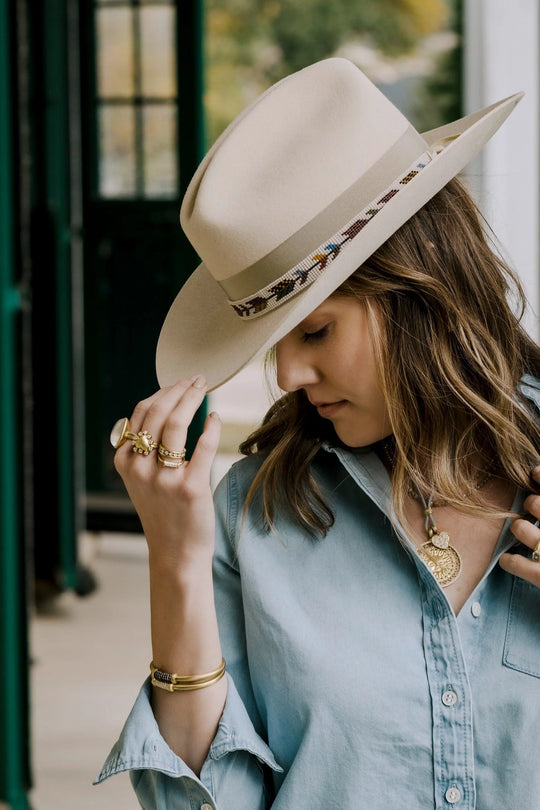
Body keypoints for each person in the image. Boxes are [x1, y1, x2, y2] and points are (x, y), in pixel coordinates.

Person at [96, 58, 540, 809]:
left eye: (316, 332)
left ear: (418, 294)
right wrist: (176, 558)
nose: (291, 376)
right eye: (276, 344)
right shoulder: (256, 514)